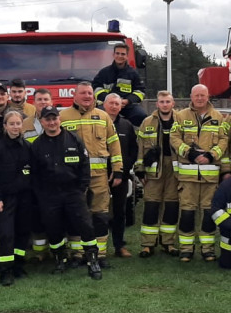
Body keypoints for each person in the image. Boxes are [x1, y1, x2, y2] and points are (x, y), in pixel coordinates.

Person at [30, 106, 103, 280]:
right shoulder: (37, 145)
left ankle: (92, 261)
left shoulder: (73, 139)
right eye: (47, 119)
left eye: (54, 118)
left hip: (73, 192)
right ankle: (60, 260)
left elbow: (85, 166)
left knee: (85, 226)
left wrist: (81, 188)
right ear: (42, 122)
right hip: (50, 195)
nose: (52, 122)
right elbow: (34, 174)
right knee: (54, 229)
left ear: (59, 119)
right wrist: (42, 195)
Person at [60, 82, 123, 265]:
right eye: (83, 93)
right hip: (73, 178)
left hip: (99, 177)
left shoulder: (103, 116)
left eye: (89, 93)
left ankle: (99, 254)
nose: (87, 96)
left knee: (100, 215)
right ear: (74, 95)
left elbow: (114, 144)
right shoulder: (63, 117)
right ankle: (78, 254)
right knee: (76, 215)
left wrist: (118, 170)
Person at [170, 84, 229, 262]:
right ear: (191, 96)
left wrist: (212, 155)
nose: (200, 98)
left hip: (210, 178)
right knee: (187, 213)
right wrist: (189, 152)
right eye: (197, 95)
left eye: (203, 95)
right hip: (187, 177)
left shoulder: (219, 118)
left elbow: (224, 140)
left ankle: (207, 249)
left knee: (208, 214)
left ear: (208, 96)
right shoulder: (180, 116)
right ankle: (186, 249)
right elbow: (173, 138)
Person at [0, 110, 34, 286]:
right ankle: (5, 270)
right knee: (6, 234)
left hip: (25, 197)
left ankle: (18, 265)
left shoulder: (28, 147)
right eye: (12, 124)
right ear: (5, 126)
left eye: (18, 123)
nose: (15, 127)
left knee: (22, 232)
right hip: (5, 199)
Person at [135, 90, 181, 257]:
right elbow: (140, 148)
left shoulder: (181, 120)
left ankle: (168, 243)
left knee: (171, 206)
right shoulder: (147, 122)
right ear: (157, 104)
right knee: (151, 206)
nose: (165, 104)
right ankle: (147, 244)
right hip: (154, 170)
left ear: (173, 103)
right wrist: (140, 169)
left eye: (168, 101)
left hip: (174, 170)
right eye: (162, 102)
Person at [103, 93, 138, 258]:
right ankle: (96, 246)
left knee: (119, 212)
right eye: (111, 103)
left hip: (120, 176)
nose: (114, 106)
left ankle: (119, 246)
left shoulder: (126, 125)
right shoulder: (97, 122)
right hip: (99, 175)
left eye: (117, 104)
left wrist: (124, 169)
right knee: (97, 212)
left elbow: (133, 149)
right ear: (104, 105)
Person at [23, 88, 53, 260]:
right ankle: (40, 254)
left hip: (53, 177)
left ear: (51, 101)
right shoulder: (24, 124)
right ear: (33, 103)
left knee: (55, 215)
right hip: (33, 178)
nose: (43, 102)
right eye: (39, 99)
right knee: (36, 216)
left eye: (46, 99)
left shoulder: (59, 121)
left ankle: (57, 250)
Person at [93, 43, 147, 127]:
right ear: (113, 55)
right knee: (96, 117)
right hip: (106, 105)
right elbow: (96, 88)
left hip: (126, 106)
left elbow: (140, 92)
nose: (120, 56)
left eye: (123, 54)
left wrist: (128, 101)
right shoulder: (104, 72)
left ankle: (134, 138)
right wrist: (109, 100)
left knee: (141, 116)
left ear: (127, 56)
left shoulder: (133, 73)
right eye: (117, 53)